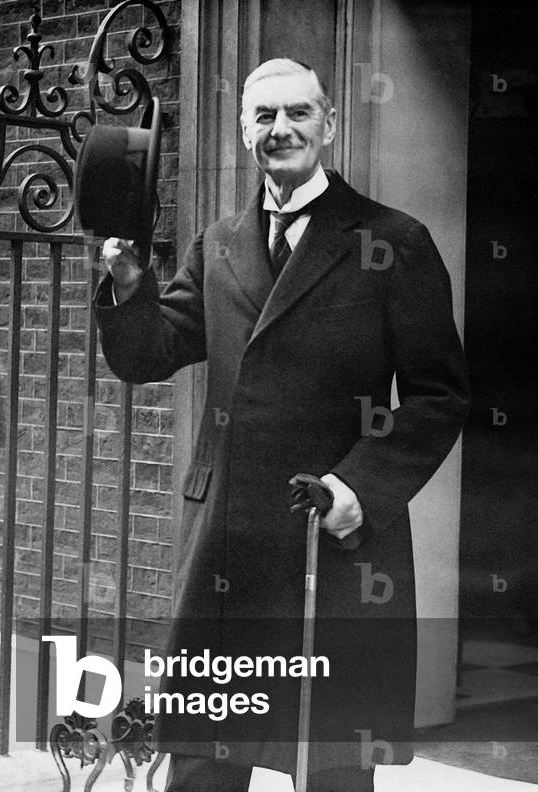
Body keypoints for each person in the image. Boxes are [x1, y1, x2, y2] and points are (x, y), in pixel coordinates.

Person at [96, 59, 470, 791]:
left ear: (328, 124)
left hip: (333, 533)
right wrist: (130, 288)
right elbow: (150, 353)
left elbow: (438, 394)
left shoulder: (393, 240)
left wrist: (359, 487)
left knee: (329, 759)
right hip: (228, 540)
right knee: (204, 760)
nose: (282, 130)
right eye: (264, 116)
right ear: (244, 132)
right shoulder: (219, 243)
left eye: (298, 113)